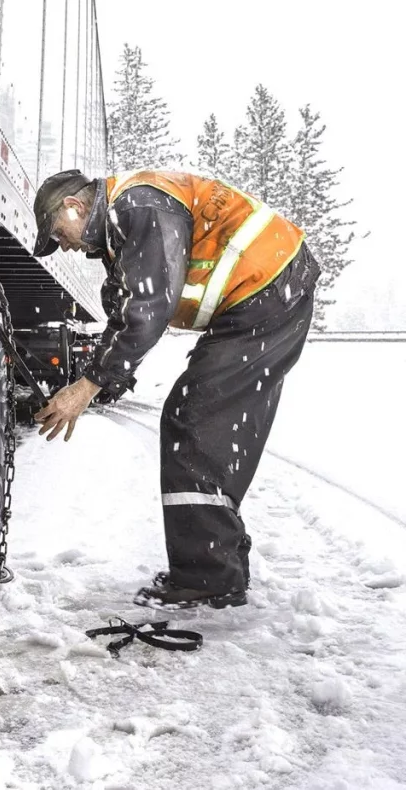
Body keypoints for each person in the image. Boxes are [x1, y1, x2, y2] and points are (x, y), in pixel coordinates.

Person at [30, 169, 319, 610]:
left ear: (75, 207)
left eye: (58, 233)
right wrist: (100, 383)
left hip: (266, 291)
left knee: (196, 425)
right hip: (264, 296)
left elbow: (148, 307)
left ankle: (209, 577)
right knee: (206, 425)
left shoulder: (139, 206)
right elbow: (125, 310)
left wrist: (88, 386)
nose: (64, 245)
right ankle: (216, 564)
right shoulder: (124, 223)